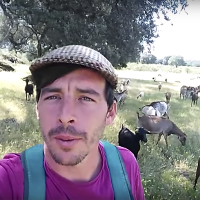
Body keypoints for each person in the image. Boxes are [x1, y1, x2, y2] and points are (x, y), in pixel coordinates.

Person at [0, 45, 145, 200]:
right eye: (53, 97)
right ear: (37, 108)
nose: (65, 116)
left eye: (86, 98)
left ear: (110, 113)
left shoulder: (126, 166)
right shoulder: (9, 179)